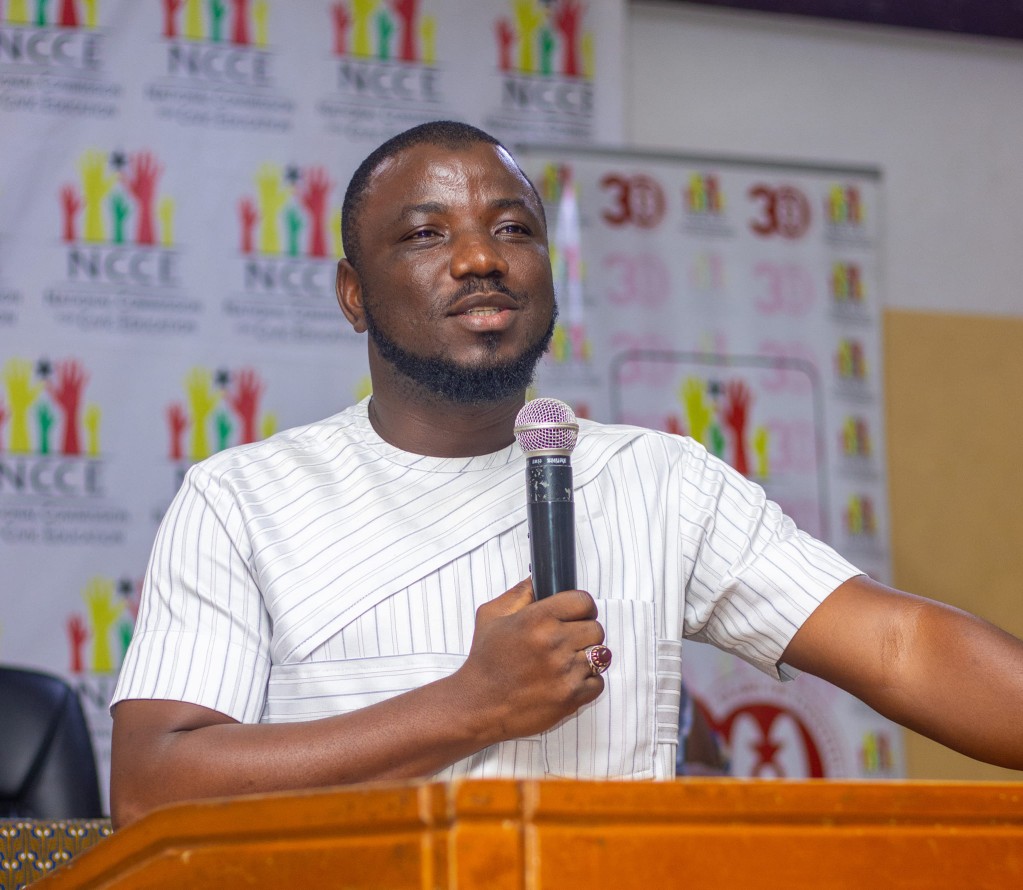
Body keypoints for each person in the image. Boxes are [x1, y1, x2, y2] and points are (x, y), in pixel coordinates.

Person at [109, 121, 1023, 828]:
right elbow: (153, 787)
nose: (481, 258)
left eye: (513, 229)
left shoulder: (656, 480)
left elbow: (901, 647)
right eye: (426, 234)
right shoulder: (242, 501)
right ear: (354, 295)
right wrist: (468, 706)